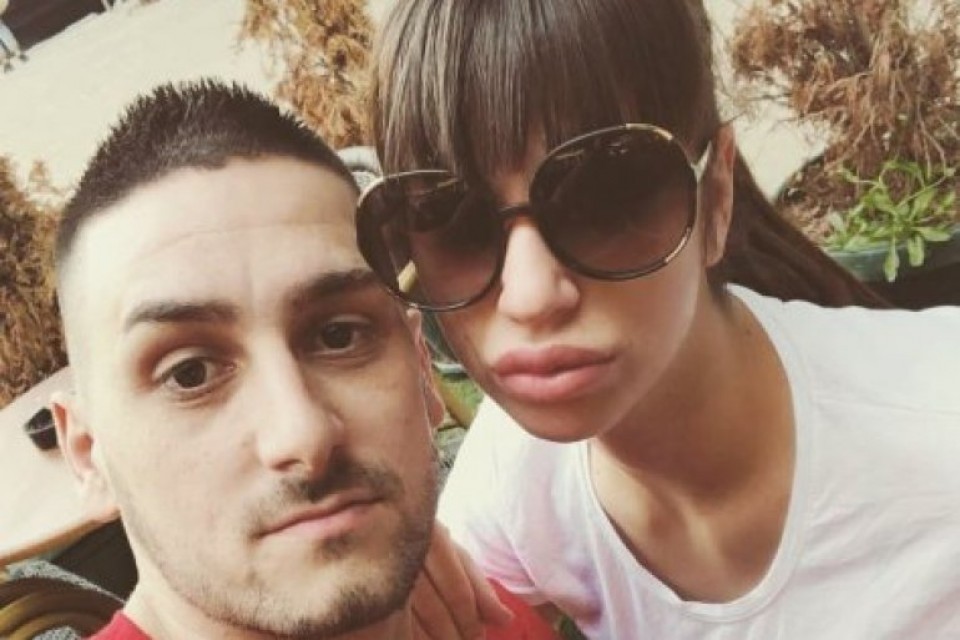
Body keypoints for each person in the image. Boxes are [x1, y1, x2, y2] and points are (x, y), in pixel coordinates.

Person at [359, 0, 960, 637]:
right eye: (451, 218)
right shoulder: (513, 485)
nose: (530, 296)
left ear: (717, 196)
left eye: (605, 192)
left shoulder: (936, 427)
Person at [50, 79, 556, 639]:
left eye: (339, 336)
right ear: (88, 454)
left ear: (422, 369)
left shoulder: (492, 622)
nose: (304, 436)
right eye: (189, 374)